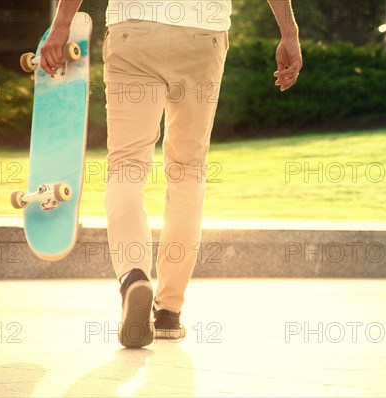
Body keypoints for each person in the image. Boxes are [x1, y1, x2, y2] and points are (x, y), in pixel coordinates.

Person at [41, 0, 302, 348]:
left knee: (126, 167)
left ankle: (134, 276)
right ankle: (168, 312)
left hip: (134, 32)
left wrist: (62, 25)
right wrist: (289, 32)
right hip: (202, 34)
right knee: (188, 172)